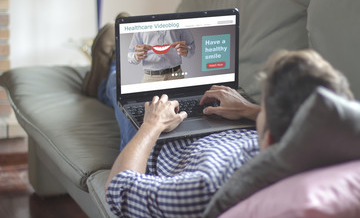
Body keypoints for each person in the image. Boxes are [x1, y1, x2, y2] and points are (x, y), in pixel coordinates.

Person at [83, 23, 353, 217]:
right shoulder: (336, 147)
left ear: (269, 139)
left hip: (160, 141)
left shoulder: (206, 188)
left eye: (264, 111)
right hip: (218, 123)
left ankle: (109, 69)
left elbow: (120, 190)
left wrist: (151, 125)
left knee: (128, 93)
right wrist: (249, 109)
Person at [127, 29, 195, 83]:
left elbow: (191, 46)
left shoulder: (178, 21)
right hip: (150, 79)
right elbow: (130, 55)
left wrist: (187, 51)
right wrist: (136, 56)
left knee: (182, 100)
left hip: (175, 76)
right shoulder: (141, 25)